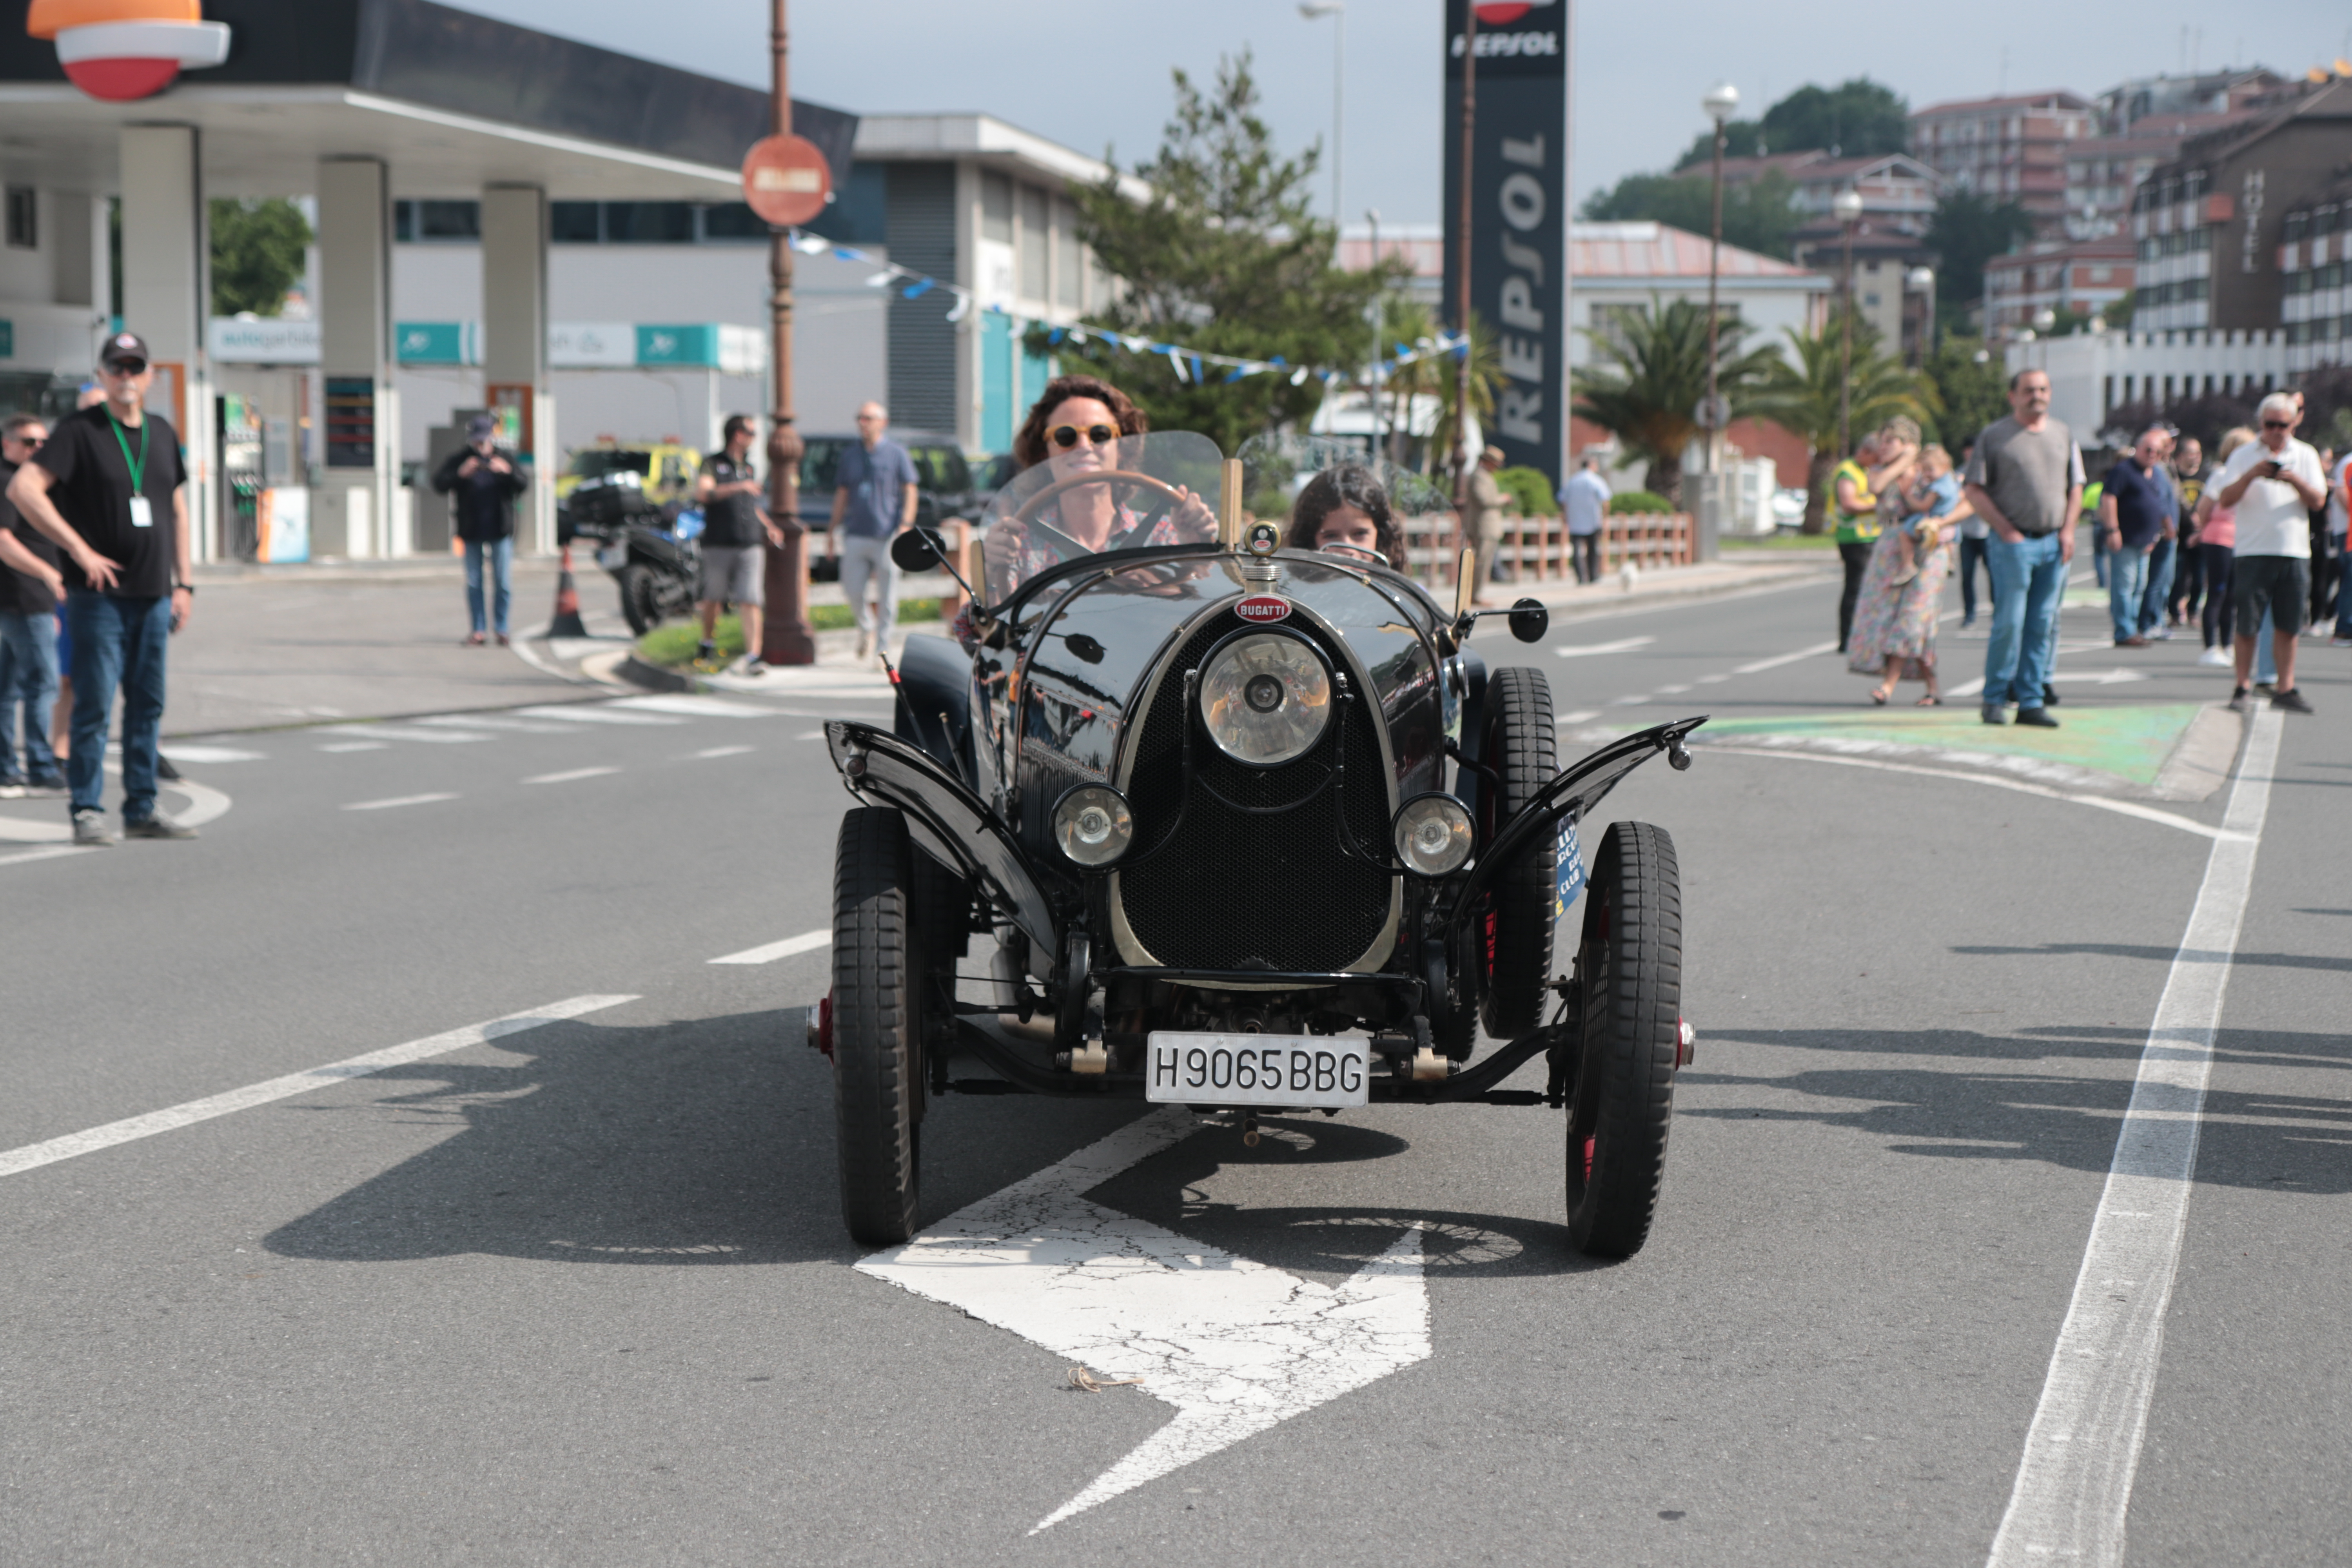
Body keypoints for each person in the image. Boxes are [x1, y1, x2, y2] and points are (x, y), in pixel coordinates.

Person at [4, 332, 196, 844]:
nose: (126, 377)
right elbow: (23, 489)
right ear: (104, 374)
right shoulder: (79, 431)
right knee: (93, 704)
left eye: (135, 368)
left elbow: (176, 511)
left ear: (150, 376)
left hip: (155, 595)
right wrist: (79, 549)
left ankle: (142, 808)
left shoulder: (160, 432)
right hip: (99, 599)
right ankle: (87, 810)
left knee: (148, 704)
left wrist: (187, 583)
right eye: (117, 368)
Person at [1963, 368, 2082, 729]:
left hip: (2052, 542)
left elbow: (2075, 486)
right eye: (2029, 390)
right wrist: (2005, 529)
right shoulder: (1996, 436)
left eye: (2044, 389)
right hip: (2013, 544)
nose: (2038, 395)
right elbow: (1973, 489)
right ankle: (1995, 698)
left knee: (2042, 624)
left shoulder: (2062, 433)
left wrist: (2069, 531)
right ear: (2013, 396)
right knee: (2009, 623)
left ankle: (2030, 701)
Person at [2212, 390, 2325, 713]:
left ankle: (2285, 686)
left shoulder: (2305, 454)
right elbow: (2226, 499)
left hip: (2293, 550)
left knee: (2289, 625)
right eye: (2270, 424)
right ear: (2261, 424)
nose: (2276, 431)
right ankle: (2242, 686)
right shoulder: (2245, 455)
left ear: (2293, 424)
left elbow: (2318, 501)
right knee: (2247, 622)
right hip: (2253, 549)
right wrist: (2253, 474)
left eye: (2283, 425)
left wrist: (2294, 480)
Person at [1849, 443, 1965, 705]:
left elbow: (1963, 504)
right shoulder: (1882, 471)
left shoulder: (1928, 475)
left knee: (1913, 618)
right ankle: (1932, 687)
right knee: (1903, 622)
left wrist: (1941, 523)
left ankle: (1888, 686)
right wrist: (1900, 467)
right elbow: (1876, 487)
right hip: (1897, 550)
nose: (1884, 445)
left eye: (1892, 441)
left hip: (1930, 548)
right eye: (1883, 440)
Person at [691, 414, 785, 675]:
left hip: (749, 542)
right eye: (751, 433)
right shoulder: (713, 463)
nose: (754, 438)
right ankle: (707, 642)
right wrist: (738, 487)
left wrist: (769, 526)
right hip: (719, 541)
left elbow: (752, 505)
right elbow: (703, 493)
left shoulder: (750, 468)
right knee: (714, 597)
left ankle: (753, 654)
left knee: (751, 599)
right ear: (738, 434)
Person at [0, 415, 64, 797]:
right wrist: (48, 574)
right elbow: (4, 542)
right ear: (7, 444)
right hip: (25, 596)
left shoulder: (28, 482)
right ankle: (40, 765)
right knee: (42, 683)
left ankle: (8, 765)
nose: (38, 449)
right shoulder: (8, 482)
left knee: (8, 688)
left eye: (43, 442)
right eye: (29, 442)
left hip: (22, 597)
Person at [829, 401, 918, 663]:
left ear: (883, 422)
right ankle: (866, 626)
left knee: (888, 594)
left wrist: (906, 524)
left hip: (887, 533)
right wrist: (832, 530)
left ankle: (883, 646)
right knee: (852, 589)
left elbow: (910, 489)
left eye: (868, 418)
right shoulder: (850, 455)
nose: (863, 423)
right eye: (860, 418)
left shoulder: (896, 453)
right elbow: (842, 493)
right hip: (856, 531)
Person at [430, 413, 526, 647]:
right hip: (471, 530)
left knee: (503, 583)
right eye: (475, 440)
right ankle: (478, 630)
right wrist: (461, 474)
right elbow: (439, 484)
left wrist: (506, 472)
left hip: (500, 530)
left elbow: (523, 484)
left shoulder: (504, 458)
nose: (479, 445)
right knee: (475, 584)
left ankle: (502, 629)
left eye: (483, 440)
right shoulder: (462, 459)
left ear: (491, 436)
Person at [1830, 423, 1917, 652]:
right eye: (1880, 446)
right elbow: (1851, 502)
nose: (1881, 453)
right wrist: (1877, 507)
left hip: (1876, 537)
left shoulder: (1878, 469)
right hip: (1855, 537)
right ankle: (1849, 639)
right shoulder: (1850, 470)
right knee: (1857, 588)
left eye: (1889, 443)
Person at [2098, 426, 2172, 648]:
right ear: (2137, 449)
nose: (2152, 455)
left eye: (2157, 452)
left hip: (2145, 542)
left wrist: (2158, 533)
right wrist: (2113, 530)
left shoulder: (2154, 474)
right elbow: (2109, 498)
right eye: (2148, 449)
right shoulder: (2124, 471)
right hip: (2126, 540)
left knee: (2138, 587)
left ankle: (2132, 628)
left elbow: (2158, 506)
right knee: (2124, 586)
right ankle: (2124, 631)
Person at [1286, 464, 1406, 570]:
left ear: (1381, 536)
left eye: (1360, 534)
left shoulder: (1400, 594)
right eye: (1331, 536)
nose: (1347, 550)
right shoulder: (1297, 594)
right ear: (1311, 543)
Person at [1459, 446, 1514, 603]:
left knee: (1484, 563)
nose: (1497, 467)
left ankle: (1477, 594)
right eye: (1496, 463)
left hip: (1487, 527)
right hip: (1482, 527)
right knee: (1481, 563)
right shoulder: (1479, 476)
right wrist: (1503, 499)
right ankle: (1475, 596)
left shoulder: (1484, 476)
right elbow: (1484, 500)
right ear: (1488, 462)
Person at [2167, 436, 2208, 632]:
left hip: (2201, 535)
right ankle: (2174, 613)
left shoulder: (2206, 476)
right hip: (2180, 534)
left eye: (2199, 452)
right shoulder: (2174, 476)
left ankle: (2193, 611)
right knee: (2177, 576)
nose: (2197, 457)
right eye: (2192, 453)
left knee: (2199, 578)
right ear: (2182, 455)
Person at [1953, 437, 1992, 632]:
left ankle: (1997, 611)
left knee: (1993, 574)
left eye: (1973, 450)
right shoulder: (1959, 474)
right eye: (1967, 450)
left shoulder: (1988, 471)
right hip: (1967, 533)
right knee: (1967, 576)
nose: (1970, 454)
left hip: (1986, 532)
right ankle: (1969, 614)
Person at [2331, 441, 2352, 646]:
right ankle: (2345, 629)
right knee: (2350, 581)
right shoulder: (2349, 462)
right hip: (2347, 531)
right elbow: (2341, 492)